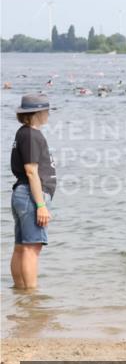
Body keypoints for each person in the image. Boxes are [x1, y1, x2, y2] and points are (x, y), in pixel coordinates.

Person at [10, 94, 56, 289]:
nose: (48, 114)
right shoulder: (31, 135)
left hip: (23, 193)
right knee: (31, 248)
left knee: (22, 247)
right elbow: (31, 171)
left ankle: (20, 293)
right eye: (46, 110)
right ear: (38, 113)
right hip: (31, 195)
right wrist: (40, 205)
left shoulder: (24, 133)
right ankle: (31, 297)